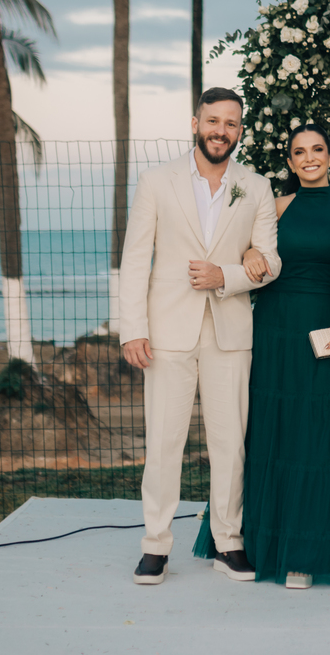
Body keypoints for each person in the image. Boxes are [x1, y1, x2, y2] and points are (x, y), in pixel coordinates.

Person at [120, 87, 281, 586]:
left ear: (240, 130)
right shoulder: (156, 180)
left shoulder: (255, 186)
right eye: (213, 121)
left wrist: (227, 276)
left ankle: (228, 542)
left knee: (230, 443)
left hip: (230, 331)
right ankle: (156, 545)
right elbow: (134, 259)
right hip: (167, 331)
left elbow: (270, 261)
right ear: (196, 123)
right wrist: (133, 329)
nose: (221, 131)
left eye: (231, 124)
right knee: (164, 441)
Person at [191, 124, 330, 589]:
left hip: (329, 338)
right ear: (289, 161)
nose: (309, 158)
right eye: (299, 152)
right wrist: (247, 251)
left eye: (317, 150)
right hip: (273, 331)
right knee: (267, 432)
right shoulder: (273, 204)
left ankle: (305, 552)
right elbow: (244, 247)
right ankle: (256, 543)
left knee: (318, 438)